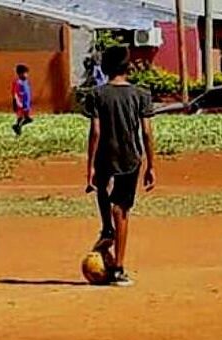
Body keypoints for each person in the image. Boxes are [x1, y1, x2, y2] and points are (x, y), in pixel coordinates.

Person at [83, 46, 156, 287]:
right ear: (128, 68)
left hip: (105, 155)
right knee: (122, 210)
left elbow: (95, 131)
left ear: (104, 68)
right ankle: (119, 269)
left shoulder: (96, 94)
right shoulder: (141, 94)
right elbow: (146, 132)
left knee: (102, 189)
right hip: (130, 157)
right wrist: (151, 165)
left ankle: (106, 230)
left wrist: (90, 165)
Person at [11, 64, 33, 136]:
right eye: (24, 73)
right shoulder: (18, 83)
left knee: (28, 119)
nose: (26, 75)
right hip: (21, 104)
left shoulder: (26, 82)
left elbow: (28, 92)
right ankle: (18, 129)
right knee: (22, 117)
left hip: (26, 103)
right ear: (19, 74)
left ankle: (17, 126)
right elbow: (15, 94)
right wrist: (18, 102)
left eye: (27, 73)